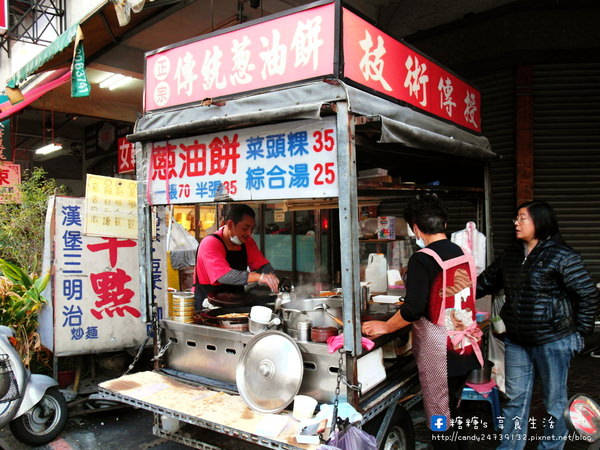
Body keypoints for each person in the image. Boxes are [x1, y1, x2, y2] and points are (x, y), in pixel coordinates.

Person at [477, 200, 600, 449]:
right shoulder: (512, 254)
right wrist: (449, 285)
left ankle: (550, 447)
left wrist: (581, 333)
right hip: (517, 340)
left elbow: (587, 293)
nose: (516, 222)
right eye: (516, 218)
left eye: (522, 218)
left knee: (554, 402)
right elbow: (484, 282)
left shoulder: (562, 255)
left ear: (540, 222)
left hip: (554, 339)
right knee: (514, 400)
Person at [362, 195, 482, 447]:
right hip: (466, 346)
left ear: (415, 228)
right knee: (453, 412)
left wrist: (385, 326)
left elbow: (413, 309)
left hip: (441, 354)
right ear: (444, 224)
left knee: (440, 420)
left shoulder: (423, 258)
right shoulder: (462, 252)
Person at [193, 204, 279, 308]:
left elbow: (263, 266)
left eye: (252, 229)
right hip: (208, 304)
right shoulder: (210, 243)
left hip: (237, 302)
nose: (249, 233)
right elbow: (224, 276)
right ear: (230, 224)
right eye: (245, 228)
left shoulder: (248, 242)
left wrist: (271, 278)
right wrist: (260, 277)